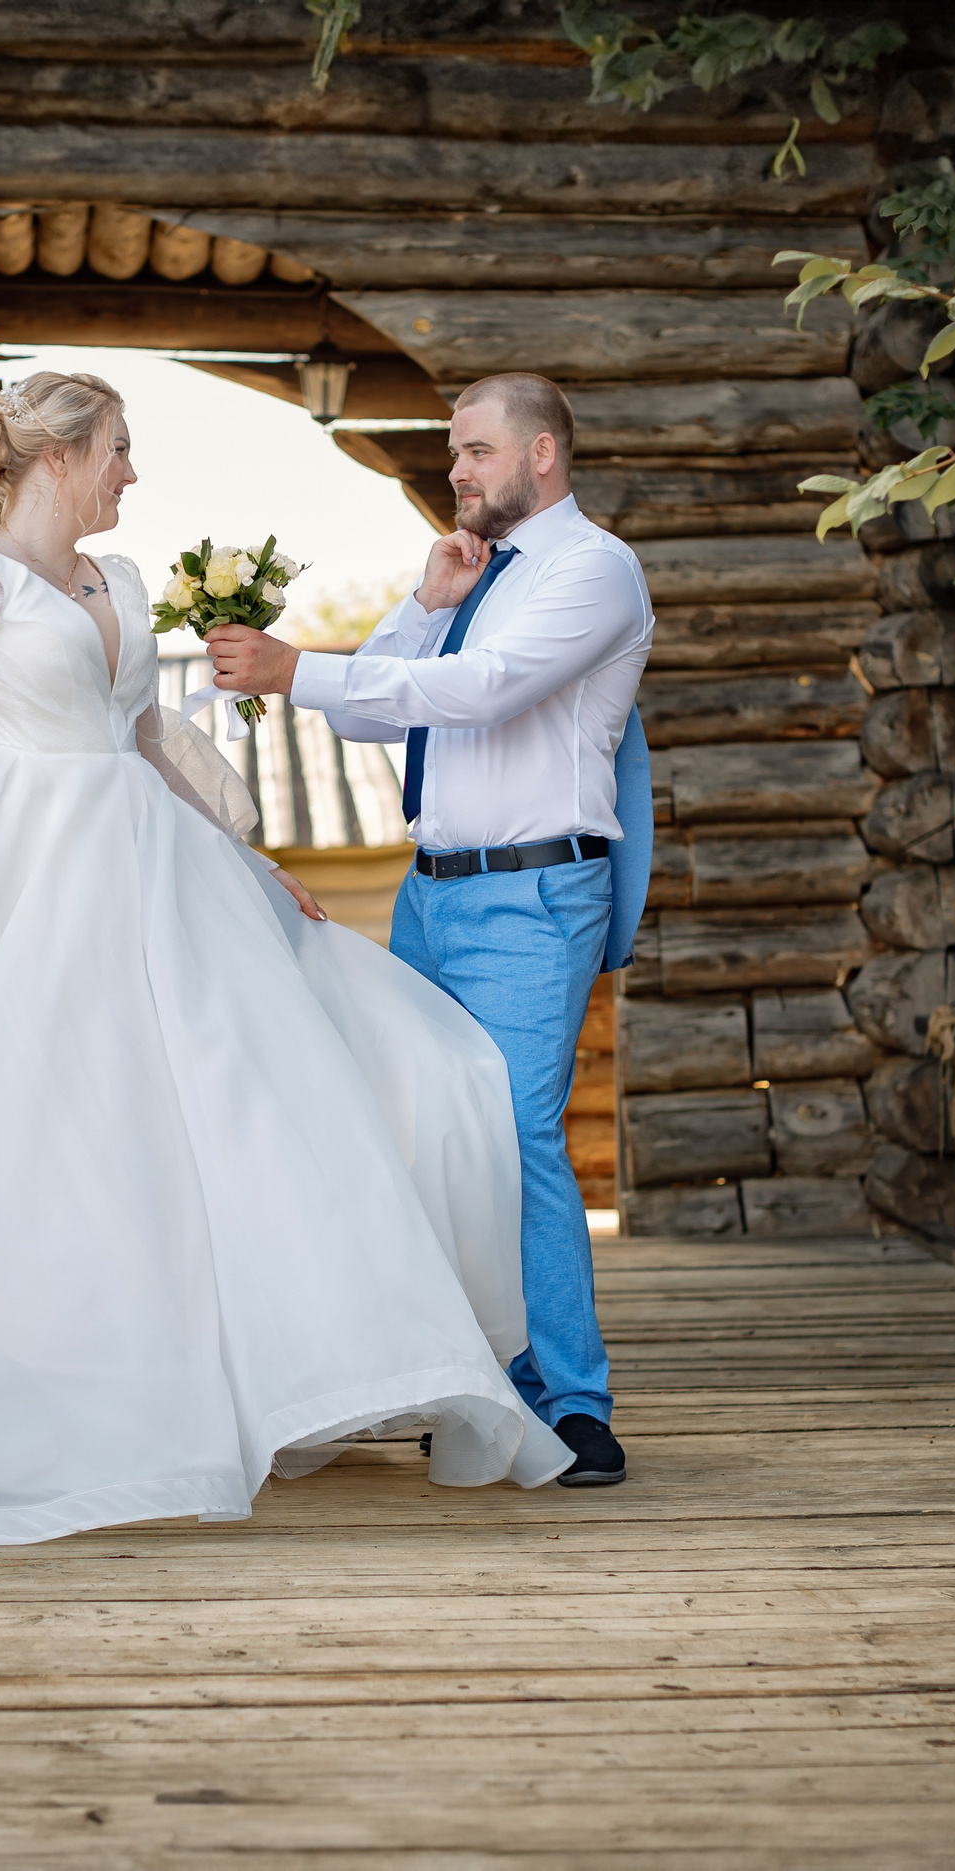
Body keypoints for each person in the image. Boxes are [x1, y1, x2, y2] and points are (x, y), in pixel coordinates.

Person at [0, 371, 571, 1547]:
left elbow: (143, 738)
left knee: (234, 1104)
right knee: (18, 1121)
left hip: (155, 865)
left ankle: (253, 1374)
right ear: (59, 457)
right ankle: (12, 1391)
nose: (133, 471)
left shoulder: (116, 578)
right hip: (19, 871)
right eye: (119, 447)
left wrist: (244, 856)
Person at [205, 372, 655, 1488]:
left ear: (542, 453)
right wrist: (425, 600)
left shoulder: (593, 569)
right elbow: (372, 710)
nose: (456, 470)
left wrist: (293, 666)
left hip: (532, 895)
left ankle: (571, 1400)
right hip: (434, 893)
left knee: (515, 1132)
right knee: (426, 1126)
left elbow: (485, 689)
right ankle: (467, 1377)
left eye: (476, 450)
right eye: (454, 453)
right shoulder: (474, 577)